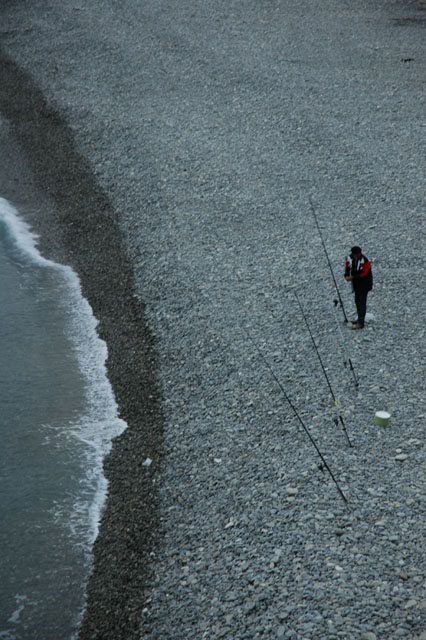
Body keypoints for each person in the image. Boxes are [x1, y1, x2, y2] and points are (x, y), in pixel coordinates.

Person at [344, 246, 373, 329]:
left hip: (365, 283)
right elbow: (347, 267)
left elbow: (364, 274)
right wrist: (346, 275)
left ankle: (361, 322)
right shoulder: (349, 258)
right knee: (357, 300)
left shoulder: (365, 260)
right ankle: (359, 319)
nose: (356, 256)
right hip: (356, 284)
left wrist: (352, 277)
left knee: (362, 302)